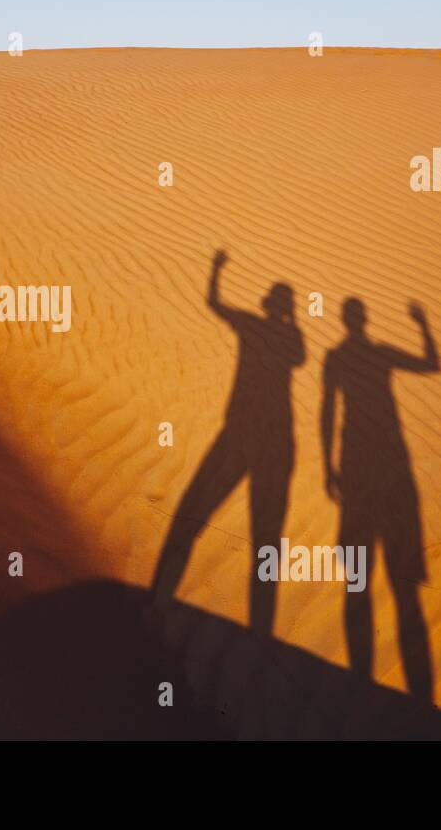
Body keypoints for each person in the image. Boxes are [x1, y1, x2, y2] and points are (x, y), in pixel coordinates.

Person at [151, 249, 305, 636]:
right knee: (264, 537)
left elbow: (214, 302)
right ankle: (261, 634)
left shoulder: (256, 327)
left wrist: (216, 271)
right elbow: (299, 356)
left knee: (197, 512)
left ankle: (158, 602)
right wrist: (293, 315)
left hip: (243, 434)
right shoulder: (288, 335)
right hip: (271, 441)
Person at [321, 298, 437, 702]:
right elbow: (431, 363)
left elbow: (326, 412)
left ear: (344, 321)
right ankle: (420, 699)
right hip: (389, 467)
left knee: (358, 579)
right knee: (402, 584)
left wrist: (327, 466)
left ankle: (361, 684)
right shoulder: (380, 353)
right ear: (365, 320)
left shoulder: (334, 358)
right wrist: (423, 325)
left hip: (358, 469)